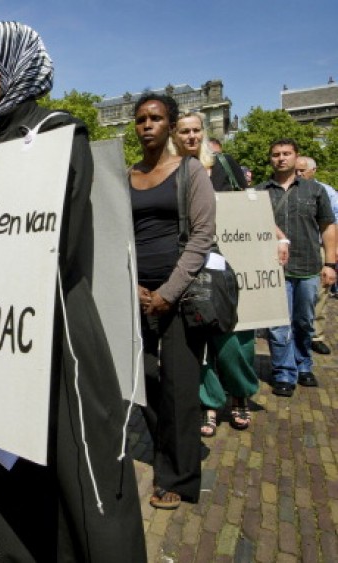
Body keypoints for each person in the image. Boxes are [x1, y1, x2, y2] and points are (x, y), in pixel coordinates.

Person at [0, 22, 146, 562]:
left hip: (53, 337)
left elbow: (57, 247)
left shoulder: (61, 134)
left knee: (65, 469)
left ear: (17, 61)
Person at [130, 95, 215, 509]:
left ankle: (175, 477)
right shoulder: (124, 176)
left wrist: (167, 293)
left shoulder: (190, 170)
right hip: (135, 295)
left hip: (179, 297)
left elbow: (202, 237)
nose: (147, 125)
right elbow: (116, 237)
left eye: (156, 118)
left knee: (180, 388)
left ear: (171, 125)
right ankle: (169, 444)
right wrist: (133, 288)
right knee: (143, 380)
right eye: (141, 119)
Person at [171, 112, 259, 434]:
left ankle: (239, 395)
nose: (191, 136)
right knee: (198, 332)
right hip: (191, 263)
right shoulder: (170, 172)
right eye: (185, 132)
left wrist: (277, 238)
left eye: (196, 131)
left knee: (236, 337)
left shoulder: (224, 166)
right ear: (175, 136)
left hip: (233, 260)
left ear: (203, 134)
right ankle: (208, 401)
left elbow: (250, 210)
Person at [256, 140, 336, 396]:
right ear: (270, 159)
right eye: (276, 154)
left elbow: (327, 227)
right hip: (273, 270)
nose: (281, 158)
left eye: (286, 154)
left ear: (296, 156)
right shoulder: (259, 192)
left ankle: (303, 365)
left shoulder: (315, 190)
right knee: (279, 325)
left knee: (304, 322)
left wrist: (330, 263)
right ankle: (283, 372)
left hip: (308, 266)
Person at [295, 155, 338, 356]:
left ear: (314, 170)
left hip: (318, 248)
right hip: (293, 249)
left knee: (319, 295)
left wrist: (332, 254)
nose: (299, 173)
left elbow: (333, 223)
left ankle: (316, 335)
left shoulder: (326, 192)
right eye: (297, 170)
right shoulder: (288, 188)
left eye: (303, 170)